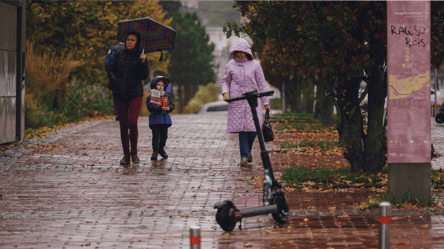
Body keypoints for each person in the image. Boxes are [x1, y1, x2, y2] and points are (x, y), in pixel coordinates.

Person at [221, 39, 271, 167]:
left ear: (247, 52)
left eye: (242, 52)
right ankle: (244, 156)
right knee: (242, 129)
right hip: (237, 102)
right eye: (237, 52)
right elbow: (225, 81)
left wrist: (265, 102)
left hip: (253, 102)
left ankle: (248, 150)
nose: (239, 55)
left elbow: (261, 84)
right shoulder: (230, 65)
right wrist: (225, 92)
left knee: (254, 128)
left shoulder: (255, 65)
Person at [107, 31, 149, 165]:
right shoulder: (119, 54)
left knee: (132, 122)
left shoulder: (141, 56)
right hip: (119, 94)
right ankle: (126, 155)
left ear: (137, 43)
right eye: (128, 39)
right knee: (123, 125)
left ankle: (134, 153)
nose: (129, 42)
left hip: (135, 94)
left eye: (132, 40)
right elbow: (110, 69)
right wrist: (115, 80)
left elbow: (144, 76)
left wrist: (143, 62)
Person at [146, 76, 174, 160]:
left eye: (162, 85)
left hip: (164, 120)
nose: (160, 86)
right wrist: (159, 108)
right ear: (155, 85)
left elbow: (171, 104)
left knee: (164, 136)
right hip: (155, 120)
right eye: (158, 84)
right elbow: (150, 106)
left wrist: (169, 108)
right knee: (156, 136)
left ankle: (161, 148)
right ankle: (155, 151)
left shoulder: (166, 96)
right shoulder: (151, 97)